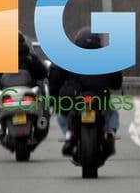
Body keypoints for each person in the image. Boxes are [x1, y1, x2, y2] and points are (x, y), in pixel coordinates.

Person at [48, 27, 123, 156]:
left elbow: (55, 78)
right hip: (99, 96)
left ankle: (69, 135)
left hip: (76, 97)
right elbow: (116, 81)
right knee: (112, 113)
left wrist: (54, 98)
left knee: (61, 114)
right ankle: (109, 132)